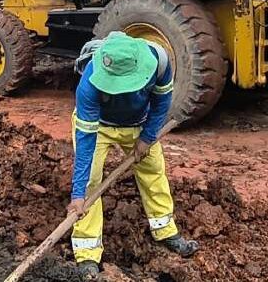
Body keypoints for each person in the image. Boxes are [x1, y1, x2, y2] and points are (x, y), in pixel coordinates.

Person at [67, 32, 198, 279]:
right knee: (91, 182)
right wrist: (77, 194)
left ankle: (165, 230)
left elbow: (162, 102)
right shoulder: (88, 84)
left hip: (138, 124)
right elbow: (85, 141)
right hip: (100, 127)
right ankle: (87, 254)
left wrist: (147, 137)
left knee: (153, 170)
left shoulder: (159, 62)